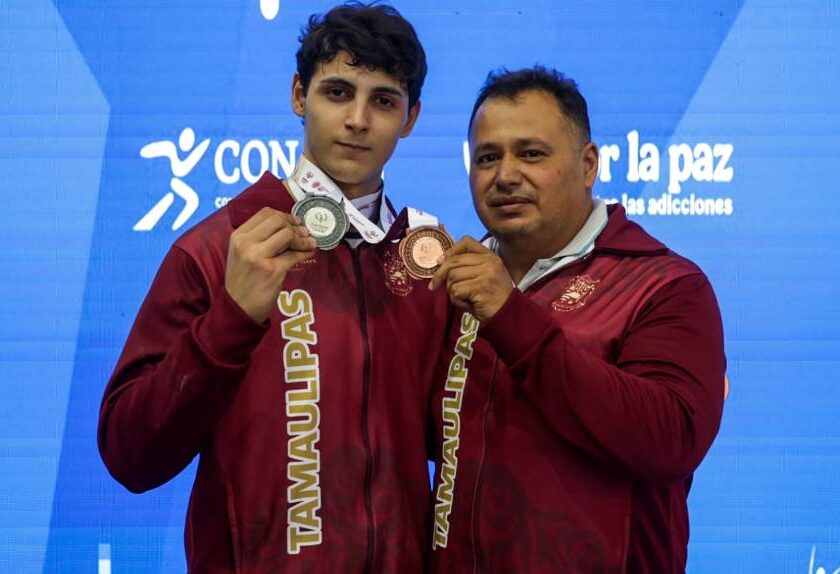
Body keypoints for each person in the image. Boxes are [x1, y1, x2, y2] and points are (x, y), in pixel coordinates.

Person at [98, 3, 450, 572]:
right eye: (338, 92)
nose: (358, 120)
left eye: (384, 101)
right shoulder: (216, 249)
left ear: (410, 118)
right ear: (298, 95)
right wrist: (230, 321)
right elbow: (129, 454)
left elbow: (456, 444)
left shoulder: (425, 263)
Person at [427, 67, 726, 573]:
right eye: (487, 157)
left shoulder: (668, 286)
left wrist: (510, 316)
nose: (505, 175)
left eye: (531, 154)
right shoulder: (451, 285)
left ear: (588, 165)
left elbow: (670, 442)